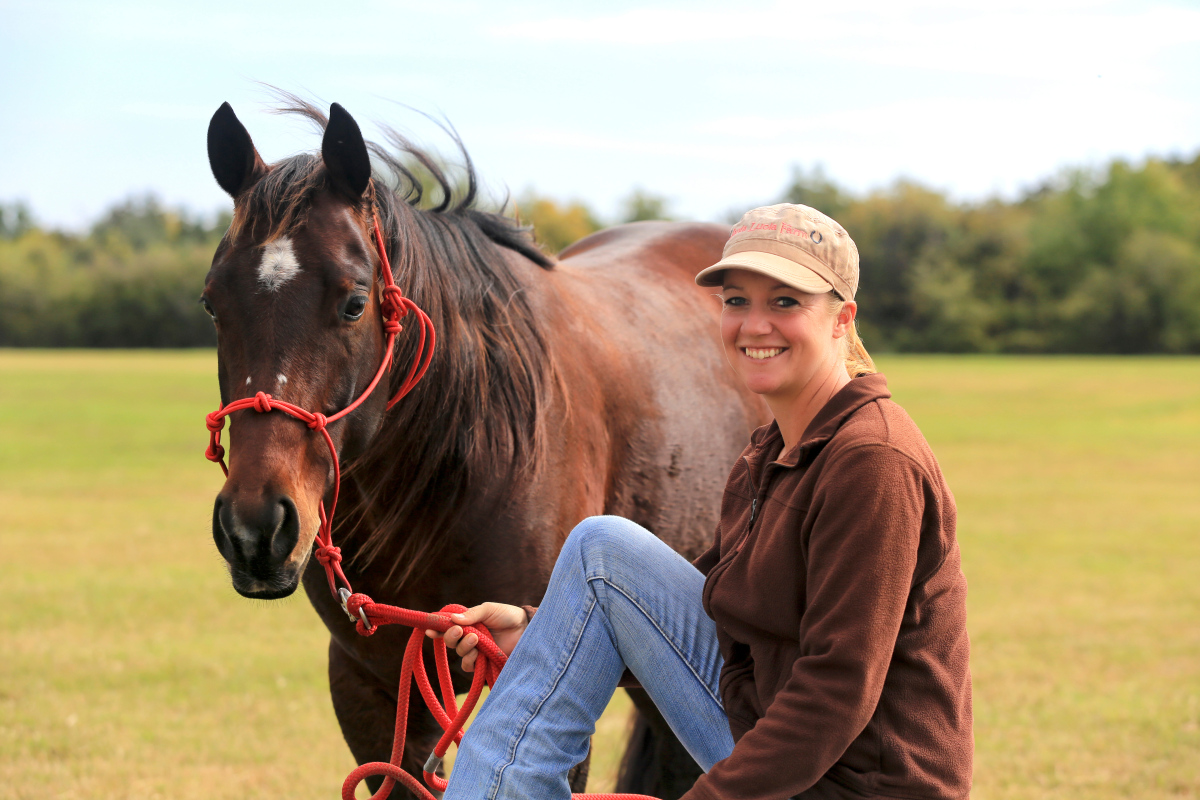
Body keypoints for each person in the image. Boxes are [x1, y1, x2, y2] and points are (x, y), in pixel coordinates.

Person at [434, 204, 973, 800]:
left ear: (842, 318)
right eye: (737, 301)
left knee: (601, 549)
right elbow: (709, 610)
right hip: (773, 728)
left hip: (858, 784)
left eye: (786, 302)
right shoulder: (769, 452)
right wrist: (541, 633)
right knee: (602, 549)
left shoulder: (874, 461)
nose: (754, 324)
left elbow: (837, 692)